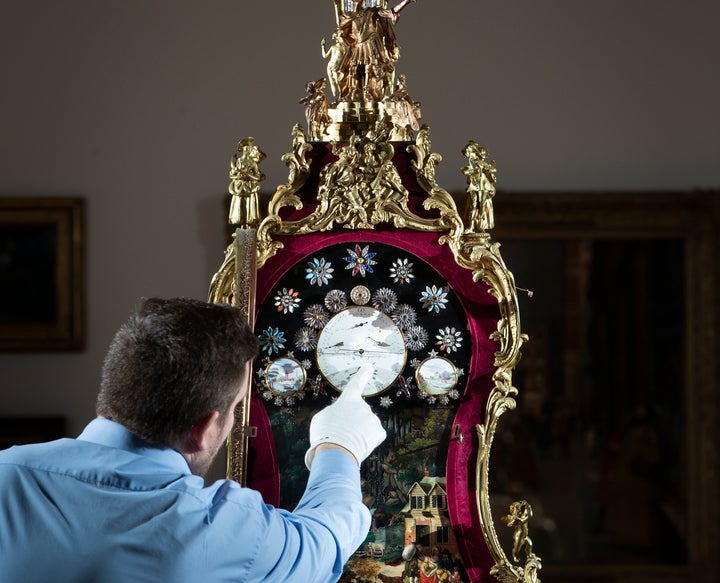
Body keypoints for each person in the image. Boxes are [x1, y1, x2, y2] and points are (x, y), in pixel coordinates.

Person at [0, 297, 386, 583]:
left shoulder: (6, 474)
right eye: (237, 408)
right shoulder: (222, 528)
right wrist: (339, 444)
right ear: (204, 429)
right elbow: (323, 541)